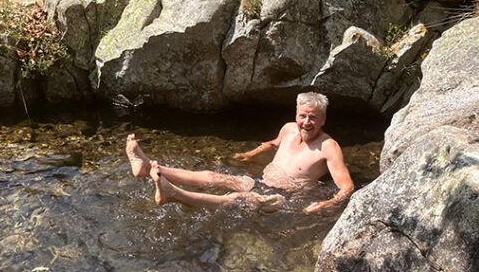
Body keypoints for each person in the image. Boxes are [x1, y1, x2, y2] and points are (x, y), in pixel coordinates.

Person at [125, 92, 354, 214]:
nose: (306, 122)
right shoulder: (288, 128)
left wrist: (326, 204)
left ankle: (173, 194)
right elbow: (273, 143)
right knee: (213, 176)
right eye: (302, 115)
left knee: (237, 200)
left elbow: (347, 187)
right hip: (260, 181)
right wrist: (251, 154)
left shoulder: (328, 147)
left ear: (323, 119)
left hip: (283, 198)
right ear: (296, 114)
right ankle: (147, 168)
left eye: (313, 117)